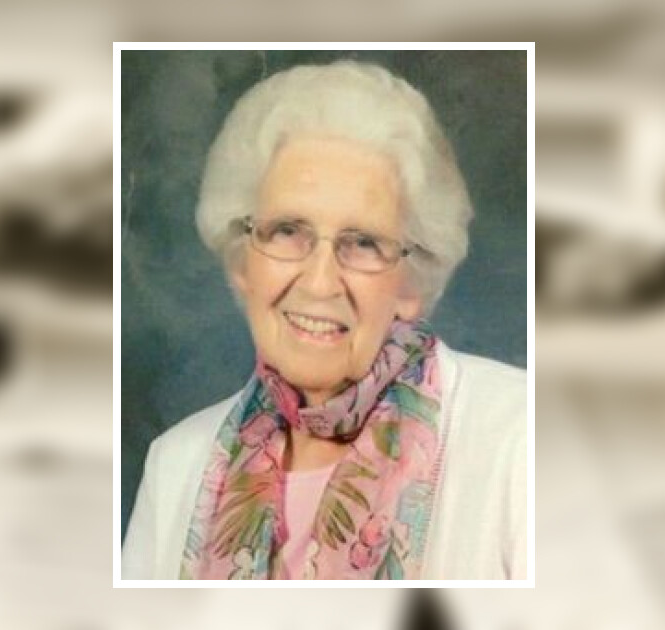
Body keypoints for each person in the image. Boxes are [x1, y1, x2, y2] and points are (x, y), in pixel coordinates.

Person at [121, 59, 527, 579]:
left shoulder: (521, 439)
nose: (319, 282)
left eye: (363, 242)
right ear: (243, 262)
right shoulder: (176, 465)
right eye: (288, 231)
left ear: (410, 282)